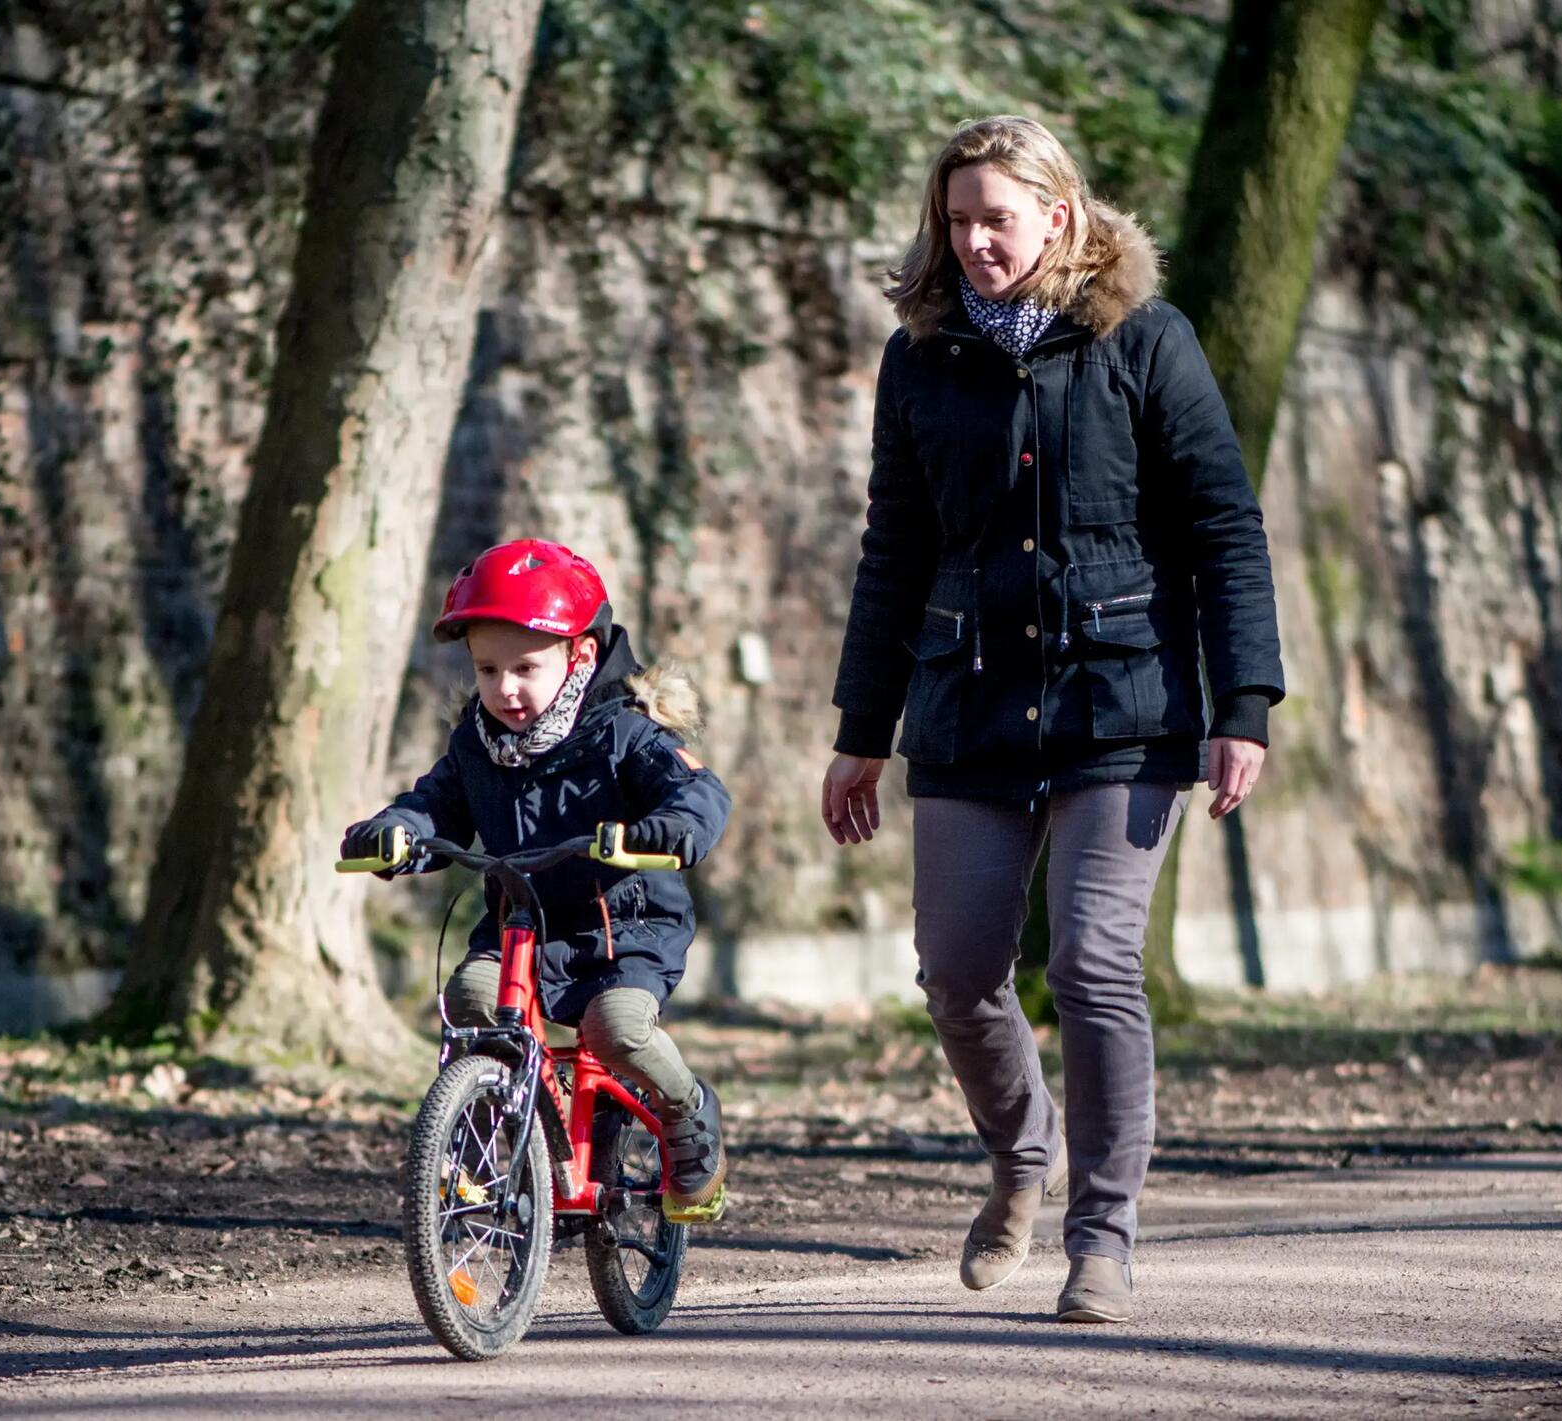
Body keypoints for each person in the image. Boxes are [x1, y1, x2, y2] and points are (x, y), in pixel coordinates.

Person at [821, 115, 1283, 1321]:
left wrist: (1245, 705)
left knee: (1091, 958)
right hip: (969, 705)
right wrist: (861, 729)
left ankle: (1105, 1235)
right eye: (957, 220)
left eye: (997, 219)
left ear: (1060, 217)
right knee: (960, 969)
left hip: (1122, 704)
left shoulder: (1146, 342)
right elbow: (894, 551)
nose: (974, 242)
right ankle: (1025, 1156)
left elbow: (1225, 529)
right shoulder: (920, 360)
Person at [344, 538, 733, 1221]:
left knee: (615, 1028)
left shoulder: (625, 734)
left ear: (578, 654)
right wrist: (396, 830)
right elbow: (438, 805)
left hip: (622, 929)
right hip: (521, 922)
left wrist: (668, 829)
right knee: (470, 996)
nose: (505, 688)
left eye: (525, 667)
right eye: (487, 669)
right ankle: (485, 1143)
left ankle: (689, 1111)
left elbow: (699, 793)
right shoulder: (477, 742)